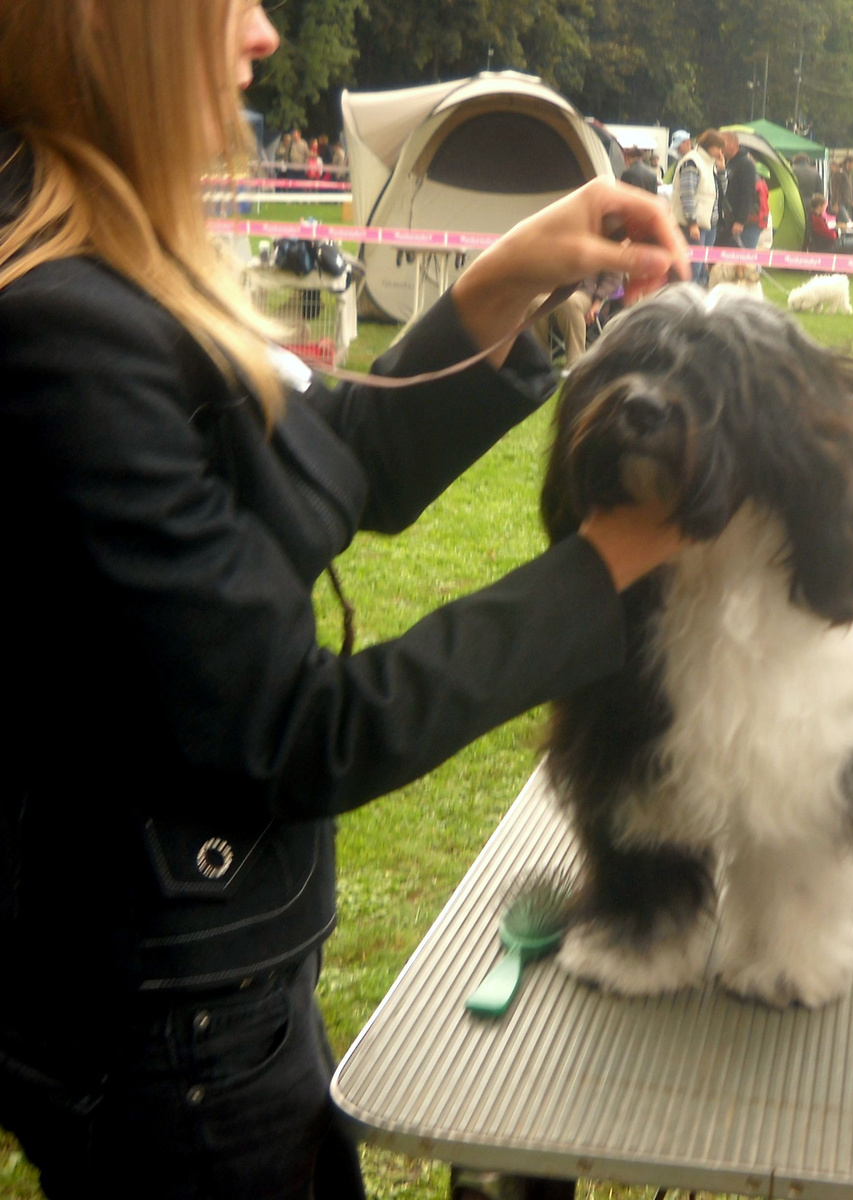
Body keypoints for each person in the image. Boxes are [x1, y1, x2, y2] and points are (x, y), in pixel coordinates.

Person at [0, 4, 690, 1196]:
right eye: (228, 3)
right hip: (174, 1033)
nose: (264, 35)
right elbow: (295, 732)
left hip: (199, 991)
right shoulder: (63, 329)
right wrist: (604, 565)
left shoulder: (110, 276)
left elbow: (338, 455)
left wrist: (509, 276)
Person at [671, 129, 725, 285]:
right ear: (710, 146)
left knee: (702, 271)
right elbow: (687, 194)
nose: (721, 152)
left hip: (710, 224)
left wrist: (721, 170)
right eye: (719, 148)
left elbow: (722, 192)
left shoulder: (711, 164)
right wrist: (692, 223)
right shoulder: (692, 162)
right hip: (694, 226)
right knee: (692, 270)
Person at [718, 130, 760, 250]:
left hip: (739, 221)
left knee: (740, 259)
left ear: (734, 144)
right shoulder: (727, 162)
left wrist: (740, 221)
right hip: (726, 220)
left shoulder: (746, 165)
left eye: (723, 143)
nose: (720, 147)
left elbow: (748, 194)